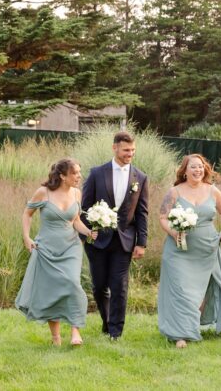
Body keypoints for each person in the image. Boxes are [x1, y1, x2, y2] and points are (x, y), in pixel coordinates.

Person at [157, 153, 221, 347]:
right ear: (184, 171)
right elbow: (163, 216)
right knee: (181, 289)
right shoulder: (175, 192)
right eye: (193, 167)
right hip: (179, 249)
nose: (197, 170)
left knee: (200, 291)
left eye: (200, 166)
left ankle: (190, 326)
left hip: (206, 248)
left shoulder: (213, 191)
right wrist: (174, 233)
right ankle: (181, 335)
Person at [16, 158, 97, 346]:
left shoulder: (77, 193)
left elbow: (75, 220)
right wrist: (27, 237)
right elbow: (27, 214)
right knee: (51, 291)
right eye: (75, 173)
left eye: (79, 172)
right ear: (62, 176)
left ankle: (75, 330)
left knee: (72, 283)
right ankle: (56, 337)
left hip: (71, 247)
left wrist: (88, 232)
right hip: (47, 248)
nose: (79, 176)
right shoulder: (43, 193)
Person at [80, 131, 149, 341]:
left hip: (124, 240)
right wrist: (87, 236)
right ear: (115, 148)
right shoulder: (96, 173)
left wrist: (142, 243)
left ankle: (115, 331)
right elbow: (84, 208)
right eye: (126, 150)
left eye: (133, 150)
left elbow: (142, 212)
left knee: (119, 286)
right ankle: (107, 320)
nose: (130, 154)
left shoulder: (140, 177)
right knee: (99, 286)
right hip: (97, 240)